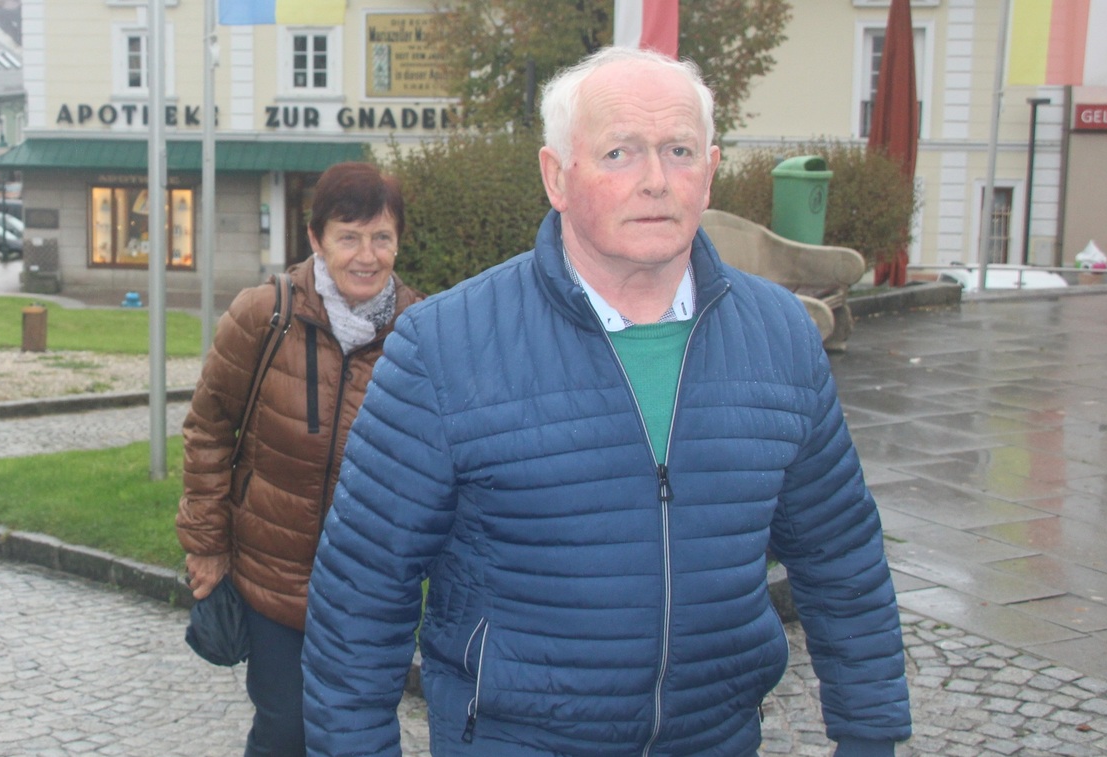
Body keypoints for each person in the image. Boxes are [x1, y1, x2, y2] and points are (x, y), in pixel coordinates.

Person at [301, 48, 911, 756]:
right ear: (557, 177)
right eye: (619, 152)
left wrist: (870, 735)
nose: (655, 180)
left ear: (710, 170)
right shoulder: (444, 347)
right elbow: (362, 592)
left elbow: (843, 558)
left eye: (679, 150)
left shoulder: (781, 337)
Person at [177, 162, 423, 757]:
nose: (367, 255)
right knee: (286, 729)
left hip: (371, 590)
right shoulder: (264, 315)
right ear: (315, 238)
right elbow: (209, 428)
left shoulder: (423, 333)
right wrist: (206, 545)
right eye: (348, 236)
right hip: (272, 578)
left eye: (382, 237)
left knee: (357, 736)